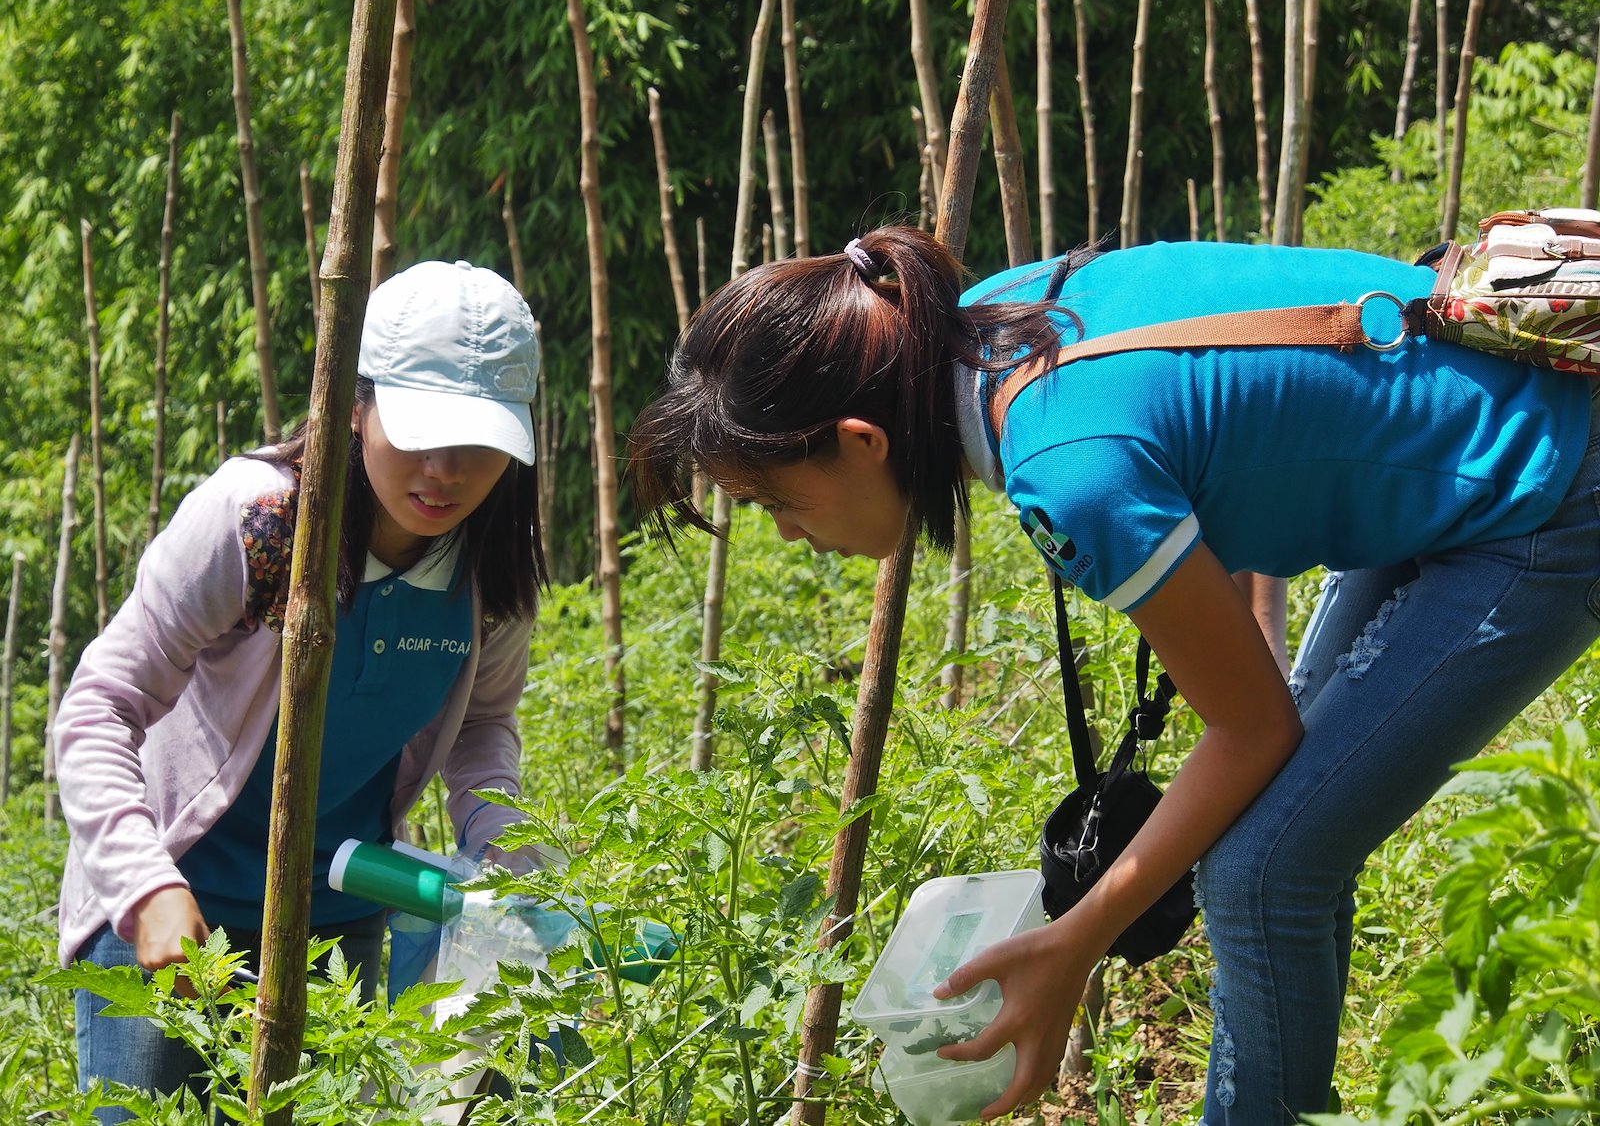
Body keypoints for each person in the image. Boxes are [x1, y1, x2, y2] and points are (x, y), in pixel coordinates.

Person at [626, 225, 1600, 1124]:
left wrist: (1074, 939)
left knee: (1262, 868)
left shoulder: (1070, 466)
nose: (790, 535)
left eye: (773, 502)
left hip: (1544, 485)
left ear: (858, 439)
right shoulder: (998, 322)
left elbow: (1254, 730)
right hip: (1466, 426)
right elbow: (1236, 424)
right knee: (1280, 834)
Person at [56, 260, 558, 1123]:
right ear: (356, 405)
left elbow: (482, 726)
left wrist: (509, 851)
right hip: (176, 906)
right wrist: (143, 886)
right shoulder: (259, 523)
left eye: (477, 444)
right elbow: (100, 703)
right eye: (419, 429)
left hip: (336, 925)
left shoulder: (490, 574)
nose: (443, 469)